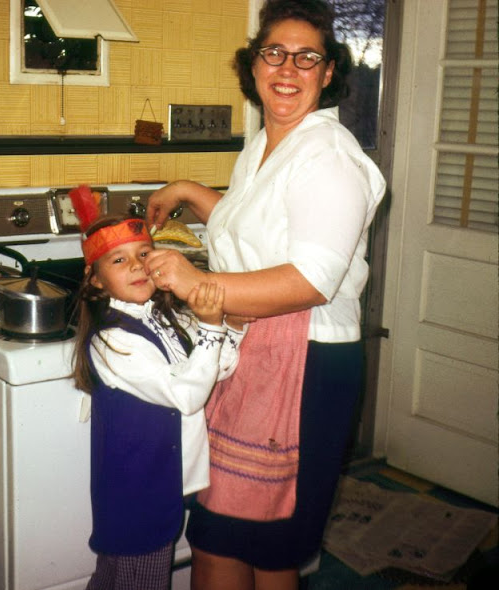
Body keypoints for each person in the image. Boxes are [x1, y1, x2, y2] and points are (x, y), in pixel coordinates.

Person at [143, 1, 387, 589]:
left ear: (328, 73)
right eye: (274, 53)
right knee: (220, 533)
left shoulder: (328, 157)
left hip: (306, 364)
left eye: (308, 58)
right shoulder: (268, 143)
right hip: (254, 351)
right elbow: (255, 221)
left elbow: (310, 279)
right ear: (253, 65)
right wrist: (189, 190)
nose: (288, 69)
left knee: (270, 545)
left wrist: (199, 283)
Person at [71, 214, 245, 590]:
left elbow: (216, 368)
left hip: (158, 480)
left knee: (115, 578)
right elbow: (188, 395)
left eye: (143, 253)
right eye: (119, 260)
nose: (136, 265)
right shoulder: (112, 340)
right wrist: (213, 327)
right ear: (95, 279)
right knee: (141, 578)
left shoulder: (166, 319)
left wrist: (232, 326)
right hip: (137, 490)